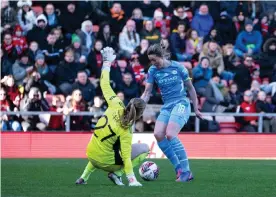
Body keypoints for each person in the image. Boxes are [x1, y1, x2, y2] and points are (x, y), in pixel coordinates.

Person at [75, 47, 148, 186]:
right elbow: (126, 157)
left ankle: (83, 177)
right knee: (144, 149)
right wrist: (132, 179)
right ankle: (116, 174)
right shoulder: (126, 128)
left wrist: (107, 63)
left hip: (90, 153)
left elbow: (104, 84)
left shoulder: (116, 103)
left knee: (103, 143)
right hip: (105, 162)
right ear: (139, 114)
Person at [141, 43, 202, 182]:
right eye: (150, 60)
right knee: (158, 134)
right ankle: (178, 168)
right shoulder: (152, 71)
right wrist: (138, 105)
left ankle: (186, 171)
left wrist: (196, 108)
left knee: (170, 134)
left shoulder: (179, 67)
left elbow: (191, 89)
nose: (153, 63)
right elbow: (147, 92)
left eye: (154, 60)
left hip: (181, 103)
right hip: (167, 106)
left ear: (162, 56)